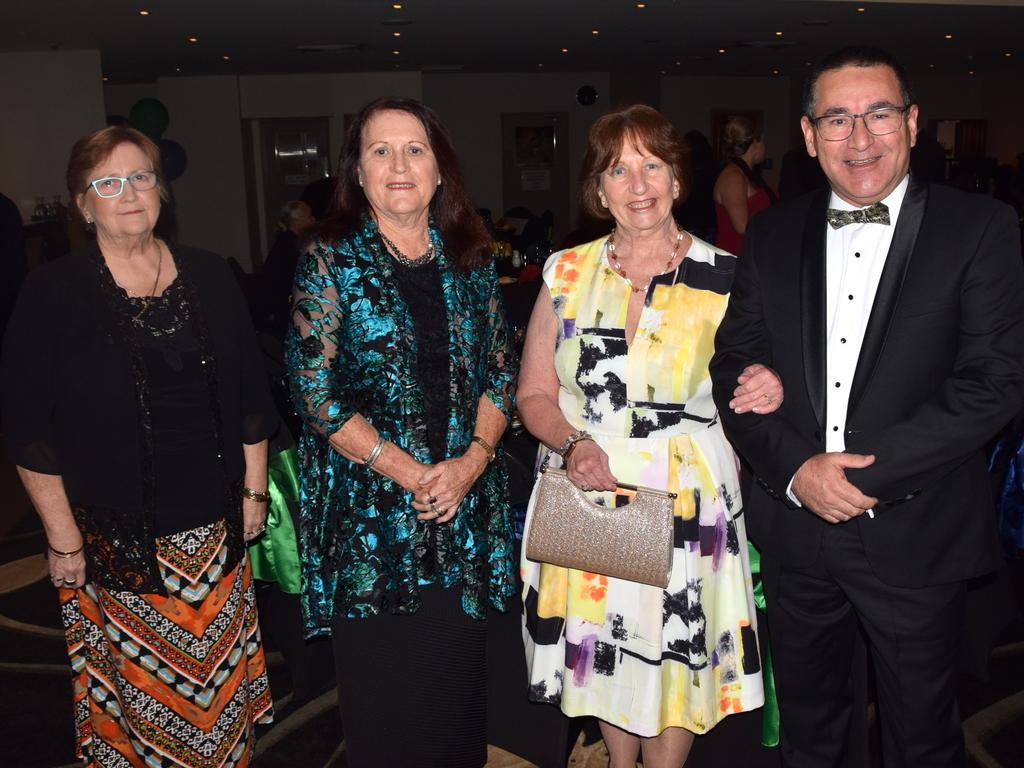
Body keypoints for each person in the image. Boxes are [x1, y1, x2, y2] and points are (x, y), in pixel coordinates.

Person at [710, 46, 1024, 767]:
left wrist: (855, 479)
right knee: (811, 731)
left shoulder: (979, 227)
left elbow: (993, 384)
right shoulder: (773, 232)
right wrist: (796, 472)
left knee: (921, 737)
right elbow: (734, 360)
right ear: (808, 132)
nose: (859, 138)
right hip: (796, 531)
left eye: (879, 115)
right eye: (838, 119)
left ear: (913, 124)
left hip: (915, 527)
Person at [1, 126, 276, 765]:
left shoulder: (209, 273)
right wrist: (62, 534)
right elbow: (27, 426)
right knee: (147, 699)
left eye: (142, 177)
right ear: (82, 202)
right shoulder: (53, 292)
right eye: (108, 183)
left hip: (213, 524)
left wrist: (254, 490)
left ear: (163, 189)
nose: (128, 194)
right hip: (115, 532)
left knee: (218, 691)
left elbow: (250, 398)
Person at [518, 105, 783, 768]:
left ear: (676, 179)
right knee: (605, 651)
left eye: (652, 165)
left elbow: (761, 376)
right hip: (591, 476)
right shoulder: (564, 273)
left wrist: (769, 384)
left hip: (687, 488)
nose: (638, 184)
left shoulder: (728, 276)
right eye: (619, 169)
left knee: (675, 655)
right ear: (598, 189)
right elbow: (533, 394)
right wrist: (573, 442)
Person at [286, 96, 518, 768]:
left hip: (464, 513)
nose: (398, 164)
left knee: (455, 705)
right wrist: (415, 474)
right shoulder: (330, 257)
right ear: (356, 173)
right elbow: (313, 394)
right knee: (388, 713)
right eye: (379, 150)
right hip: (372, 527)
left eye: (415, 149)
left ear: (440, 170)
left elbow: (501, 372)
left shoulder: (471, 258)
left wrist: (472, 461)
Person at [254, 199, 316, 340]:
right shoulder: (291, 247)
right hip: (284, 317)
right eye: (309, 217)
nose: (313, 220)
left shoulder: (287, 243)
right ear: (297, 221)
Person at [713, 115, 775, 255]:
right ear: (755, 143)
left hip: (747, 256)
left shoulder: (745, 174)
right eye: (763, 141)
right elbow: (741, 226)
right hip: (734, 260)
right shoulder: (733, 177)